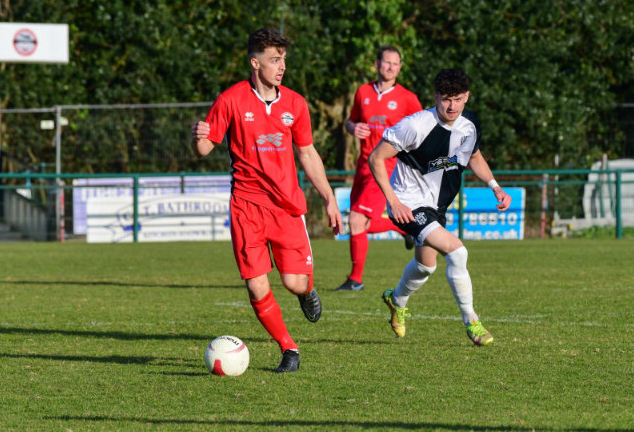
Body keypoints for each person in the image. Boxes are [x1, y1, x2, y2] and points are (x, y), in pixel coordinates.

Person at [191, 27, 342, 373]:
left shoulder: (295, 104)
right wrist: (196, 136)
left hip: (286, 207)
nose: (282, 66)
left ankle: (305, 291)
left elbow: (307, 153)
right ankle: (289, 348)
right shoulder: (230, 100)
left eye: (283, 59)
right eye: (275, 59)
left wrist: (329, 199)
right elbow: (204, 147)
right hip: (246, 207)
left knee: (293, 282)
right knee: (256, 284)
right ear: (255, 63)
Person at [368, 68, 512, 345]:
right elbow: (376, 158)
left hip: (438, 206)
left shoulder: (469, 125)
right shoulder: (415, 125)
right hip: (409, 203)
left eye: (457, 99)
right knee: (457, 252)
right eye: (446, 99)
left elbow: (474, 157)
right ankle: (472, 322)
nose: (452, 106)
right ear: (435, 96)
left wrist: (495, 186)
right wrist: (393, 202)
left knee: (426, 266)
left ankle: (397, 300)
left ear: (466, 96)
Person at [335, 45, 424, 291]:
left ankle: (355, 280)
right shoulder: (363, 92)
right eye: (387, 62)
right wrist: (353, 128)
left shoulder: (407, 98)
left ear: (400, 68)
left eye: (395, 63)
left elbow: (424, 128)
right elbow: (350, 121)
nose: (391, 67)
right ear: (377, 64)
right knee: (359, 224)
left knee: (356, 220)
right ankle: (405, 228)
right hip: (362, 166)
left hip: (386, 166)